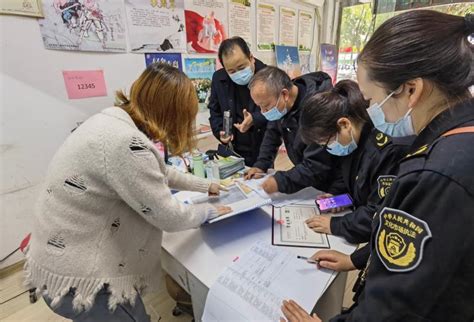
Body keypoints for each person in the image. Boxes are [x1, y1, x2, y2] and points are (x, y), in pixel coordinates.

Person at [281, 10, 474, 321]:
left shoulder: (437, 174)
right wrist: (357, 259)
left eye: (372, 99)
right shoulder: (456, 138)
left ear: (411, 90)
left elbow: (399, 307)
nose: (369, 110)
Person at [24, 64, 230, 322]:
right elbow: (169, 216)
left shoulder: (112, 120)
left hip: (58, 259)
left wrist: (204, 185)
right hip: (83, 279)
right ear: (170, 113)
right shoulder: (125, 142)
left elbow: (159, 170)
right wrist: (210, 211)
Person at [300, 80, 413, 278]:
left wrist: (335, 225)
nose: (328, 148)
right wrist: (339, 196)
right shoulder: (356, 139)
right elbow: (353, 178)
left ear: (344, 124)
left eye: (326, 143)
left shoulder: (387, 149)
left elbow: (379, 213)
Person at [245, 66, 338, 195]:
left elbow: (316, 165)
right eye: (259, 107)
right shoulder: (280, 103)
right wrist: (261, 164)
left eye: (266, 106)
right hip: (309, 179)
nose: (263, 112)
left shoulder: (319, 108)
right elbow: (272, 132)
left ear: (284, 94)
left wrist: (279, 182)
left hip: (332, 182)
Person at [208, 36, 268, 166]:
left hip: (262, 147)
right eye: (231, 71)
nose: (238, 73)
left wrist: (255, 118)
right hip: (233, 148)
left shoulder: (268, 76)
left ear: (251, 58)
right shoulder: (219, 78)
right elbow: (214, 111)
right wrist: (220, 132)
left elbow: (277, 111)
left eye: (241, 67)